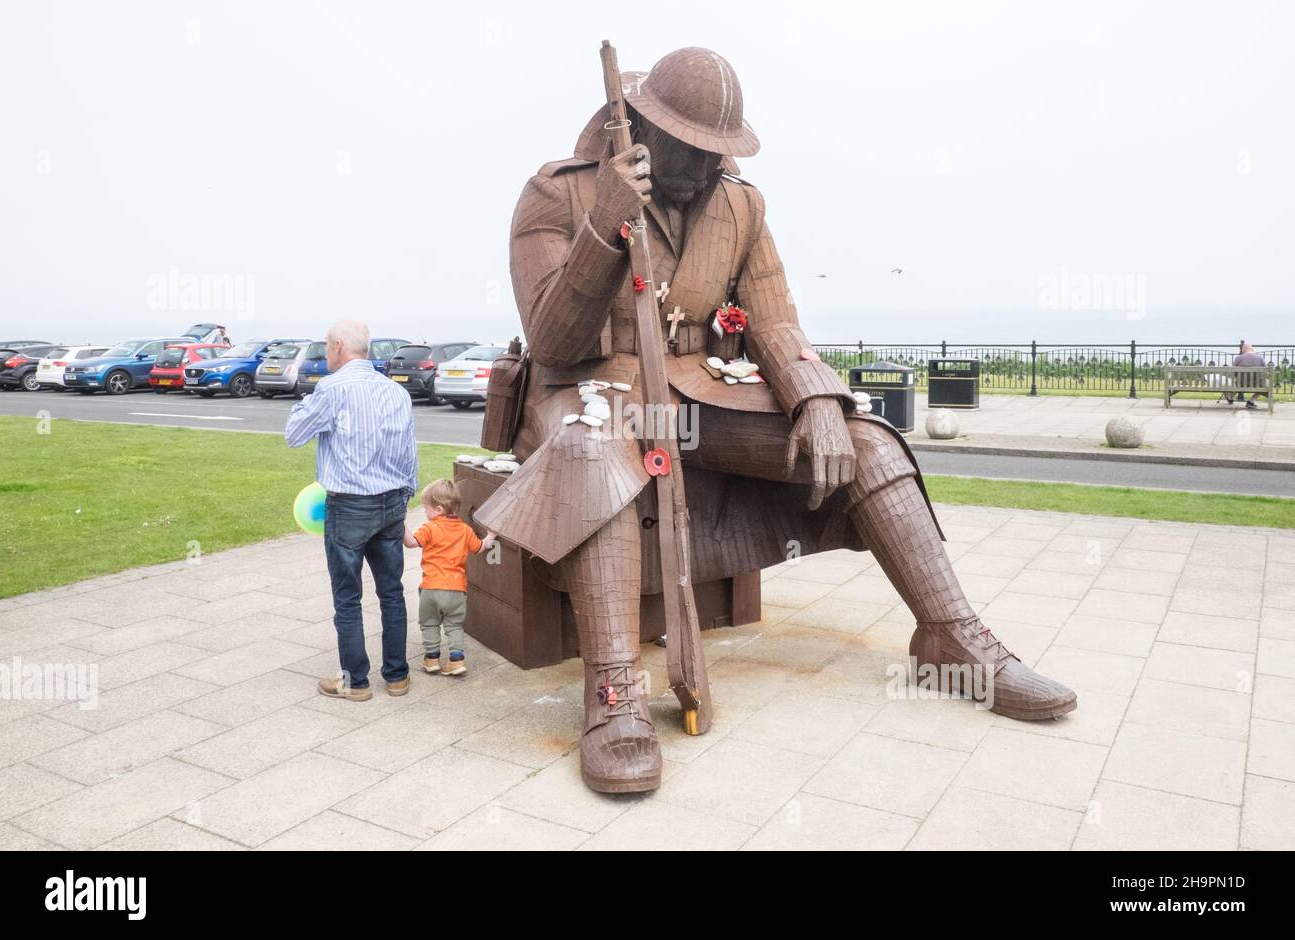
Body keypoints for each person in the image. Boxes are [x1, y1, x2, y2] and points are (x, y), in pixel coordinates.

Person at [476, 47, 1077, 793]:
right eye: (692, 151)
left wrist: (819, 399)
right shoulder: (556, 194)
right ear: (646, 129)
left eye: (718, 153)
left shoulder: (741, 206)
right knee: (598, 457)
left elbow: (776, 321)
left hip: (702, 393)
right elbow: (553, 340)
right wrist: (604, 224)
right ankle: (614, 692)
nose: (705, 170)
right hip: (588, 395)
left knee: (868, 441)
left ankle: (952, 638)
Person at [284, 319, 418, 701]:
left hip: (349, 507)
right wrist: (405, 501)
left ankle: (355, 682)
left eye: (327, 346)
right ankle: (397, 677)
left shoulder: (330, 389)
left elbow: (294, 435)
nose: (326, 353)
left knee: (347, 597)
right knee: (392, 592)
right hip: (391, 501)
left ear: (339, 346)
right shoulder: (396, 392)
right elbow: (410, 455)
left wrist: (308, 400)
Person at [403, 479, 496, 676]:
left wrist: (402, 522)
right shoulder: (465, 530)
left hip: (431, 588)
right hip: (457, 590)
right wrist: (491, 536)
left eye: (426, 508)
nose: (426, 513)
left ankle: (432, 659)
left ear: (438, 509)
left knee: (429, 623)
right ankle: (456, 660)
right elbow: (480, 547)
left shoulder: (430, 528)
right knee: (454, 625)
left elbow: (411, 542)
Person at [1231, 341, 1269, 410]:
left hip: (1240, 384)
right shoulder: (1260, 358)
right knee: (1265, 384)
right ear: (1252, 349)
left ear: (1243, 350)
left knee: (1235, 383)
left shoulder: (1238, 358)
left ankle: (1230, 397)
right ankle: (1251, 401)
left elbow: (1233, 372)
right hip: (1257, 384)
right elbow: (1266, 372)